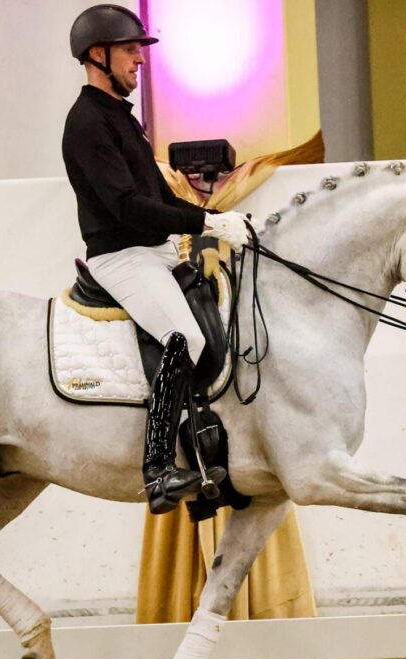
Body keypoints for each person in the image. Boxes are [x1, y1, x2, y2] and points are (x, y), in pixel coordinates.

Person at [63, 4, 248, 514]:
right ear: (96, 56)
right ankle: (159, 468)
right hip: (122, 256)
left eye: (138, 52)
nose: (138, 62)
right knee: (182, 336)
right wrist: (204, 224)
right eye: (129, 51)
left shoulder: (123, 120)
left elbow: (159, 201)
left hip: (155, 250)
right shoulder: (86, 124)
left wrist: (210, 216)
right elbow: (126, 207)